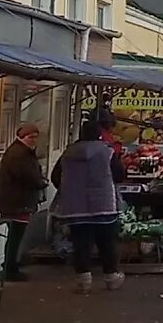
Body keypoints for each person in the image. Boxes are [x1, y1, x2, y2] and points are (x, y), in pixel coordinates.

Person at [51, 120, 127, 294]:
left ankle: (83, 281)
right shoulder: (107, 152)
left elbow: (56, 177)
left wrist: (71, 191)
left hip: (75, 208)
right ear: (99, 134)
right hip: (104, 206)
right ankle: (111, 277)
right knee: (107, 243)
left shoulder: (68, 153)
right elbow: (120, 175)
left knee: (81, 244)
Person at [0, 123, 48, 282]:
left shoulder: (19, 151)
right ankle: (10, 268)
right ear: (22, 137)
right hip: (17, 201)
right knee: (15, 235)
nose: (33, 140)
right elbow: (28, 176)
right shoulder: (20, 154)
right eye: (30, 137)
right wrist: (42, 182)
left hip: (15, 200)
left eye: (35, 137)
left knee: (15, 235)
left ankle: (11, 266)